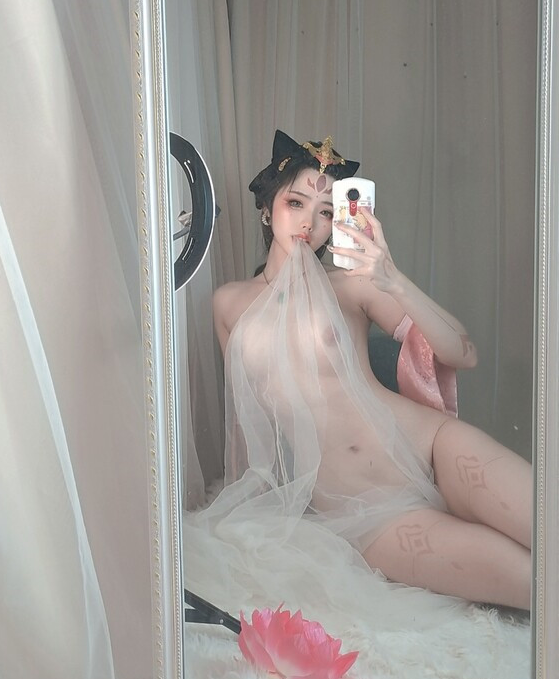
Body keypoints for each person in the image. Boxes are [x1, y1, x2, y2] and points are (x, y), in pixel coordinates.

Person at [212, 130, 531, 611]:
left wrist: (394, 280)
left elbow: (463, 353)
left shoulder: (351, 286)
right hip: (362, 510)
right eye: (295, 203)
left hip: (431, 447)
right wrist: (252, 509)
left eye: (325, 212)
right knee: (532, 580)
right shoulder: (228, 303)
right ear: (266, 209)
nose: (309, 222)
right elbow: (245, 424)